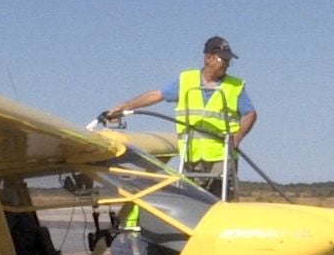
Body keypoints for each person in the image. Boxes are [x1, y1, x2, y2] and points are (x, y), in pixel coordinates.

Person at [106, 36, 256, 199]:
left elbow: (250, 114)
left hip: (221, 155)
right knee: (192, 200)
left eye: (228, 61)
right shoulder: (187, 80)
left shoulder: (235, 86)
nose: (226, 64)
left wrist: (237, 137)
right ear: (208, 58)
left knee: (223, 200)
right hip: (191, 154)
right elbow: (158, 94)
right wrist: (126, 106)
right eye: (223, 59)